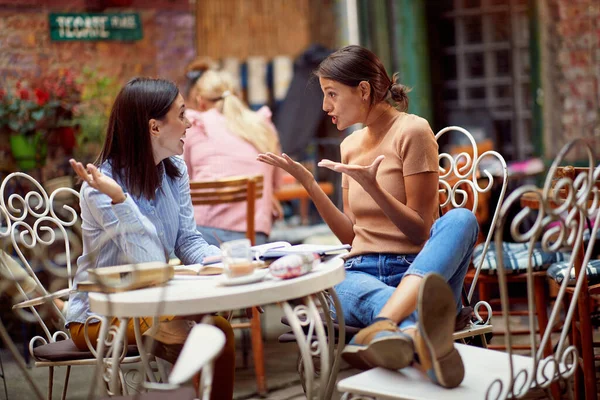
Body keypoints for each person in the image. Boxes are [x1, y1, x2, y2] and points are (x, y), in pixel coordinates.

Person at [257, 45, 478, 388]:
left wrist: (374, 188)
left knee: (461, 219)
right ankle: (418, 331)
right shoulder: (350, 145)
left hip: (419, 274)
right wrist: (311, 185)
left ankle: (390, 323)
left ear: (362, 90)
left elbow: (420, 232)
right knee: (337, 279)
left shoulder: (413, 131)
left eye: (331, 94)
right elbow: (351, 237)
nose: (324, 106)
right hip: (360, 275)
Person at [66, 77, 235, 399]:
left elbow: (188, 241)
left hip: (157, 306)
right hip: (100, 317)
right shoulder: (101, 187)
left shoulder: (174, 170)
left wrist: (226, 263)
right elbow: (150, 263)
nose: (190, 123)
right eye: (182, 114)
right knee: (198, 340)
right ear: (154, 128)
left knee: (219, 330)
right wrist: (120, 199)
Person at [183, 68, 283, 246]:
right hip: (254, 236)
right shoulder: (262, 125)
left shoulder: (195, 125)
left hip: (201, 238)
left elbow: (183, 181)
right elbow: (276, 184)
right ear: (239, 95)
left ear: (200, 101)